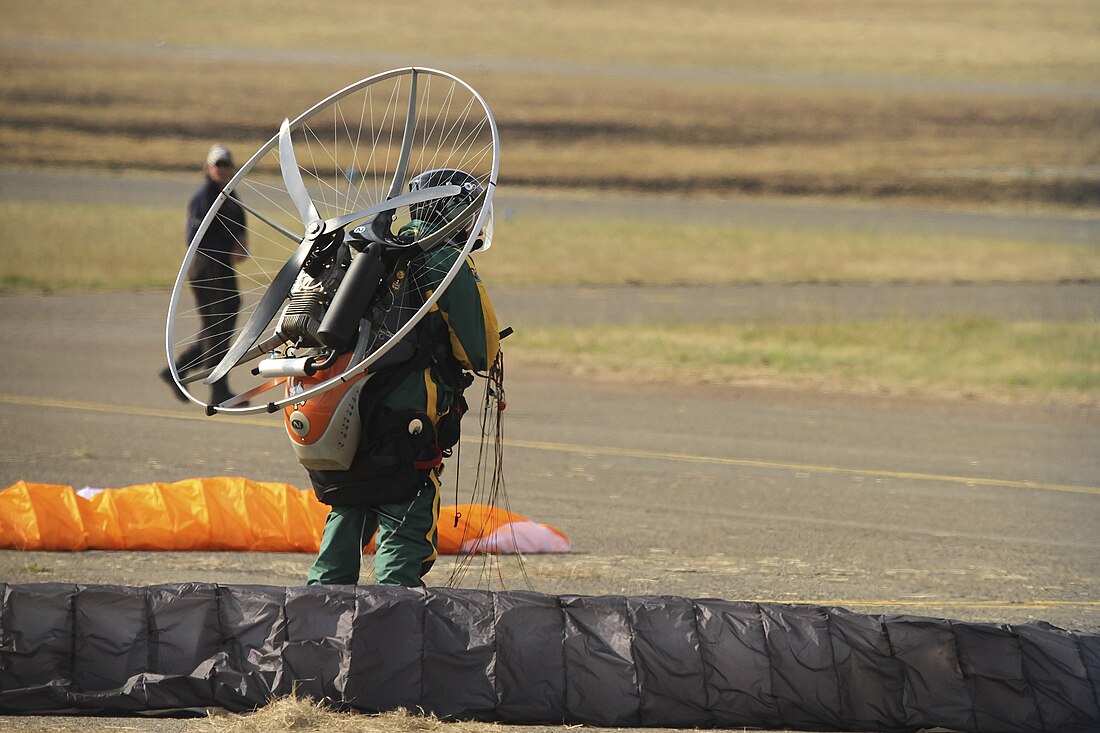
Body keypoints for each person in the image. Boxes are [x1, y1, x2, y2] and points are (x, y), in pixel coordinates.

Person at [305, 168, 500, 587]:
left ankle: (314, 626)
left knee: (348, 513)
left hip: (344, 413)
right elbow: (480, 351)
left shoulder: (371, 247)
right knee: (403, 524)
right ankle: (394, 633)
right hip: (405, 422)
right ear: (452, 210)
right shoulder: (442, 258)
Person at [162, 144, 249, 405]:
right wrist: (227, 247)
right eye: (217, 164)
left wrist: (241, 244)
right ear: (208, 168)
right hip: (206, 266)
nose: (222, 169)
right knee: (215, 326)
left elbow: (240, 227)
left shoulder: (231, 196)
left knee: (225, 319)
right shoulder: (204, 198)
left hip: (223, 266)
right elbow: (194, 237)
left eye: (226, 164)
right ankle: (217, 389)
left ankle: (176, 371)